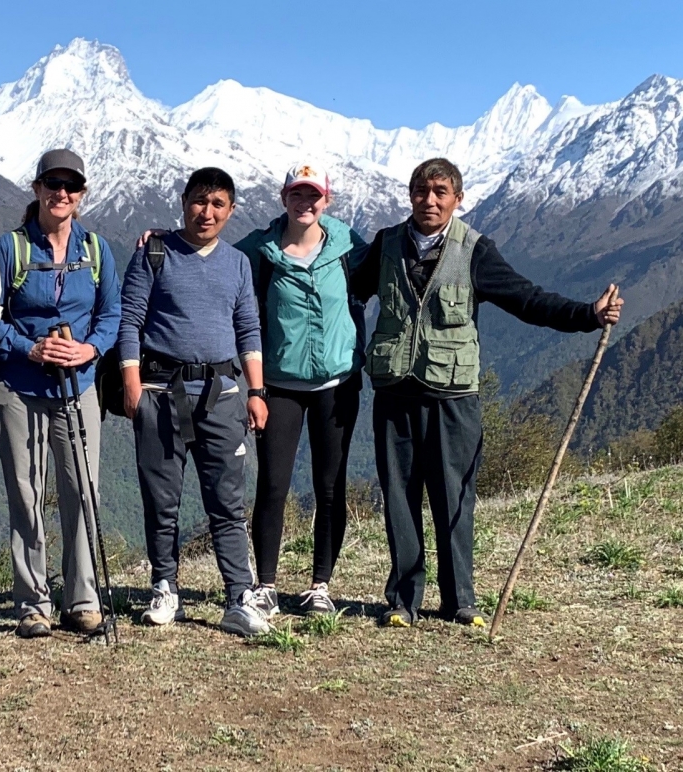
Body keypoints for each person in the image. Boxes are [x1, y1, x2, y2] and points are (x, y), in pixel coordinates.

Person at [349, 157, 624, 628]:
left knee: (454, 496)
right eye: (421, 191)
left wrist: (586, 315)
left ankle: (461, 601)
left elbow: (526, 298)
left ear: (458, 198)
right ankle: (403, 600)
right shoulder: (385, 245)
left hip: (455, 395)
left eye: (440, 192)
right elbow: (346, 290)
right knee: (399, 495)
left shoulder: (474, 250)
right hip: (395, 391)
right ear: (410, 195)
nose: (429, 201)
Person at [118, 167, 271, 638]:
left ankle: (238, 596)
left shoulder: (237, 263)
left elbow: (248, 327)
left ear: (231, 210)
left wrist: (257, 391)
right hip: (161, 393)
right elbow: (130, 321)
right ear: (184, 201)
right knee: (161, 500)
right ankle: (165, 587)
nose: (207, 212)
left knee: (227, 501)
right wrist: (131, 384)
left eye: (218, 204)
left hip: (223, 394)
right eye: (199, 201)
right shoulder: (154, 252)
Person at [0, 149, 121, 639]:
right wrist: (30, 348)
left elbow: (112, 315)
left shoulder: (98, 250)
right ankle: (32, 603)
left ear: (82, 194)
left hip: (78, 386)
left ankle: (82, 600)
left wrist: (88, 350)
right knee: (26, 494)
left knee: (82, 491)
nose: (61, 193)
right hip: (19, 387)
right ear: (37, 188)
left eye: (71, 186)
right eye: (52, 184)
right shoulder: (11, 248)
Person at [234, 163, 366, 617]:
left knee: (330, 487)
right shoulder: (259, 250)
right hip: (279, 385)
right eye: (297, 194)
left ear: (326, 201)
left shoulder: (349, 248)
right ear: (283, 198)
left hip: (338, 382)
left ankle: (320, 586)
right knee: (273, 484)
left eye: (313, 196)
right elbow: (209, 262)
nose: (304, 203)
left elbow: (395, 270)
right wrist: (162, 241)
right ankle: (266, 585)